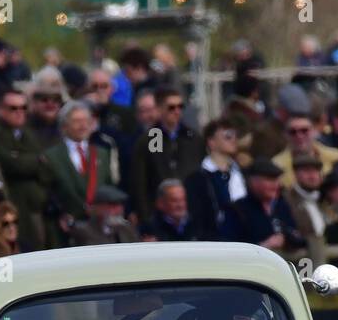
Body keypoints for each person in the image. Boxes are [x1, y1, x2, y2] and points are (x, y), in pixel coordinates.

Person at [0, 88, 51, 252]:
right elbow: (11, 164)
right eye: (13, 108)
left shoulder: (30, 134)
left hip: (35, 206)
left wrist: (22, 159)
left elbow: (46, 166)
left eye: (23, 108)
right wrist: (34, 160)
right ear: (1, 110)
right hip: (12, 206)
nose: (19, 112)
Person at [46, 100, 118, 233]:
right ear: (64, 126)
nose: (83, 125)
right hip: (66, 227)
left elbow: (108, 185)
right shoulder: (51, 156)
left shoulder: (101, 153)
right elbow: (49, 191)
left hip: (98, 227)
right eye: (76, 121)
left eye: (86, 121)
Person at [130, 88, 202, 221]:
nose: (177, 111)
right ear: (159, 109)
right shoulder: (153, 137)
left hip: (190, 209)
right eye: (171, 107)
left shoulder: (192, 137)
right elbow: (143, 180)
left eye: (180, 106)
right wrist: (146, 217)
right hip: (160, 212)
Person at [222, 159, 305, 253]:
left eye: (277, 179)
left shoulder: (281, 205)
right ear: (252, 181)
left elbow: (297, 235)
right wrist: (264, 245)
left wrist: (287, 238)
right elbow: (230, 250)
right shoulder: (236, 210)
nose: (275, 185)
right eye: (270, 179)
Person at [184, 118, 245, 241]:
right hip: (215, 242)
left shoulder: (242, 173)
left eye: (235, 136)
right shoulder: (197, 179)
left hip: (244, 240)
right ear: (211, 142)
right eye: (228, 136)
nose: (234, 140)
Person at [273, 111, 338, 188]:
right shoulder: (276, 165)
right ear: (286, 135)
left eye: (304, 130)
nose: (299, 136)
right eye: (293, 132)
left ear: (314, 131)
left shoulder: (337, 157)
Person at [65, 185, 138, 246]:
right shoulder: (82, 231)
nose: (118, 210)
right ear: (97, 207)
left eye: (120, 205)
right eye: (112, 205)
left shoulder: (126, 228)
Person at [282, 152, 326, 241]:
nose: (312, 176)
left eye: (316, 171)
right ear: (295, 173)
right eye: (307, 170)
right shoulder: (285, 200)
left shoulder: (325, 199)